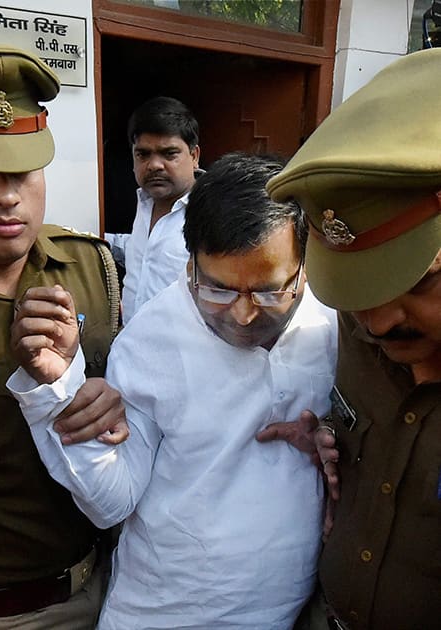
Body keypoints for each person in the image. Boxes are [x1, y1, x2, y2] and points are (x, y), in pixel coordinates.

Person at [8, 153, 338, 629]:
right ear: (190, 266)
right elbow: (111, 501)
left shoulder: (336, 321)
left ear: (304, 267)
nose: (243, 314)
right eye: (219, 290)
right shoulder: (152, 339)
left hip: (290, 610)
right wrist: (58, 389)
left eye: (268, 292)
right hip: (166, 613)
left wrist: (333, 440)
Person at [266, 48, 441, 630]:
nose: (381, 322)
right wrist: (325, 437)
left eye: (418, 280)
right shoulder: (357, 328)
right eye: (360, 290)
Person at [0, 45, 126, 628]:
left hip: (109, 589)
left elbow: (136, 405)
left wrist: (114, 400)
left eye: (23, 173)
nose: (4, 195)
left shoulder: (90, 269)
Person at [105, 96, 201, 324]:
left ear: (194, 156)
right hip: (129, 348)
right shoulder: (144, 202)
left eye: (169, 154)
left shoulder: (214, 214)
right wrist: (95, 241)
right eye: (143, 154)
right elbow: (146, 253)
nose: (155, 165)